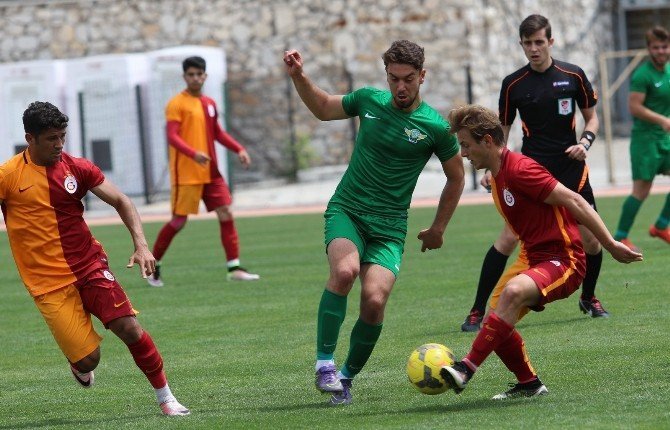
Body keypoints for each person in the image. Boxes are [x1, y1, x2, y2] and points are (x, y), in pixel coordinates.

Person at [283, 40, 465, 405]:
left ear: (422, 77)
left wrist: (438, 228)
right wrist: (300, 76)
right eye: (394, 78)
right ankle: (324, 364)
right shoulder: (368, 101)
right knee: (346, 271)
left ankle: (346, 377)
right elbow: (321, 107)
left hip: (390, 227)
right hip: (347, 210)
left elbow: (456, 177)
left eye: (408, 79)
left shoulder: (435, 127)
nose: (400, 86)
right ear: (386, 76)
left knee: (375, 299)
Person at [0, 102, 189, 416]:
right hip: (47, 282)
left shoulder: (77, 167)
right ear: (29, 139)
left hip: (89, 265)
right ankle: (79, 364)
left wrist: (141, 245)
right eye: (51, 138)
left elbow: (121, 200)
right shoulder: (7, 176)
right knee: (90, 359)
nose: (60, 144)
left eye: (62, 135)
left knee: (129, 328)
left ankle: (166, 399)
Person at [441, 104, 642, 399]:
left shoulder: (522, 169)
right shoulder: (497, 175)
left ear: (487, 141)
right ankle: (529, 384)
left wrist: (611, 245)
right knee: (494, 323)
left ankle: (465, 369)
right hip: (537, 260)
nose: (464, 153)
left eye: (466, 145)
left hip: (566, 260)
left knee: (510, 294)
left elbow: (576, 201)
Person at [461, 14, 608, 332]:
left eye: (539, 42)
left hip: (571, 169)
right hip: (532, 172)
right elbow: (501, 132)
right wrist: (492, 167)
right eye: (527, 43)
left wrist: (585, 142)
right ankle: (475, 310)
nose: (534, 48)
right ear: (521, 45)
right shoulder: (513, 83)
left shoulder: (573, 75)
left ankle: (590, 297)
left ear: (550, 41)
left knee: (592, 240)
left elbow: (592, 119)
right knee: (509, 238)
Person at [147, 55, 258, 287]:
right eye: (191, 74)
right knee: (178, 222)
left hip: (211, 172)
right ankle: (152, 266)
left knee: (226, 212)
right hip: (187, 173)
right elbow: (172, 136)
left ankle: (234, 268)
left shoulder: (209, 103)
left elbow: (217, 133)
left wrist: (239, 149)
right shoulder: (176, 103)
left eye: (199, 74)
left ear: (205, 76)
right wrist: (193, 153)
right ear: (184, 76)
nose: (195, 78)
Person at [613, 25, 670, 250]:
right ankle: (621, 235)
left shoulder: (668, 71)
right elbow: (634, 107)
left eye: (664, 47)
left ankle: (661, 225)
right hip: (645, 141)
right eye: (656, 47)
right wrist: (662, 120)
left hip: (664, 138)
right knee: (642, 190)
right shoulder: (642, 75)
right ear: (648, 49)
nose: (661, 51)